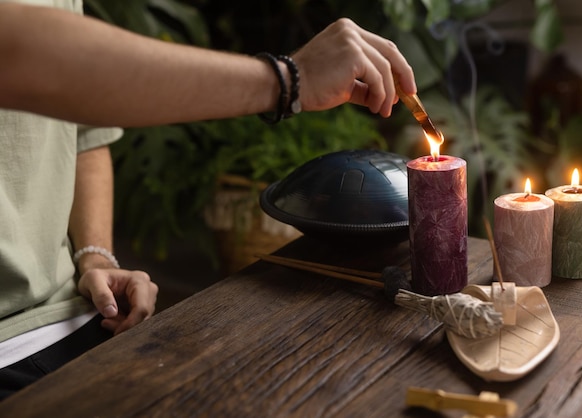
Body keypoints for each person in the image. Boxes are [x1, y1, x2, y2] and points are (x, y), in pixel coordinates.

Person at [0, 1, 416, 400]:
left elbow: (83, 130)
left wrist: (95, 258)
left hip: (73, 316)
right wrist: (286, 79)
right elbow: (25, 56)